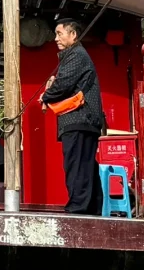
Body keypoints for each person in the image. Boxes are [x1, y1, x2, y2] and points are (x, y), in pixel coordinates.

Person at [41, 17, 105, 215]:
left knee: (76, 165)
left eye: (59, 34)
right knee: (85, 165)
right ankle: (91, 207)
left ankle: (78, 208)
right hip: (84, 120)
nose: (56, 39)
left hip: (79, 119)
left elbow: (63, 84)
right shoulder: (76, 55)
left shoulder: (76, 55)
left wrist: (45, 95)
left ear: (73, 35)